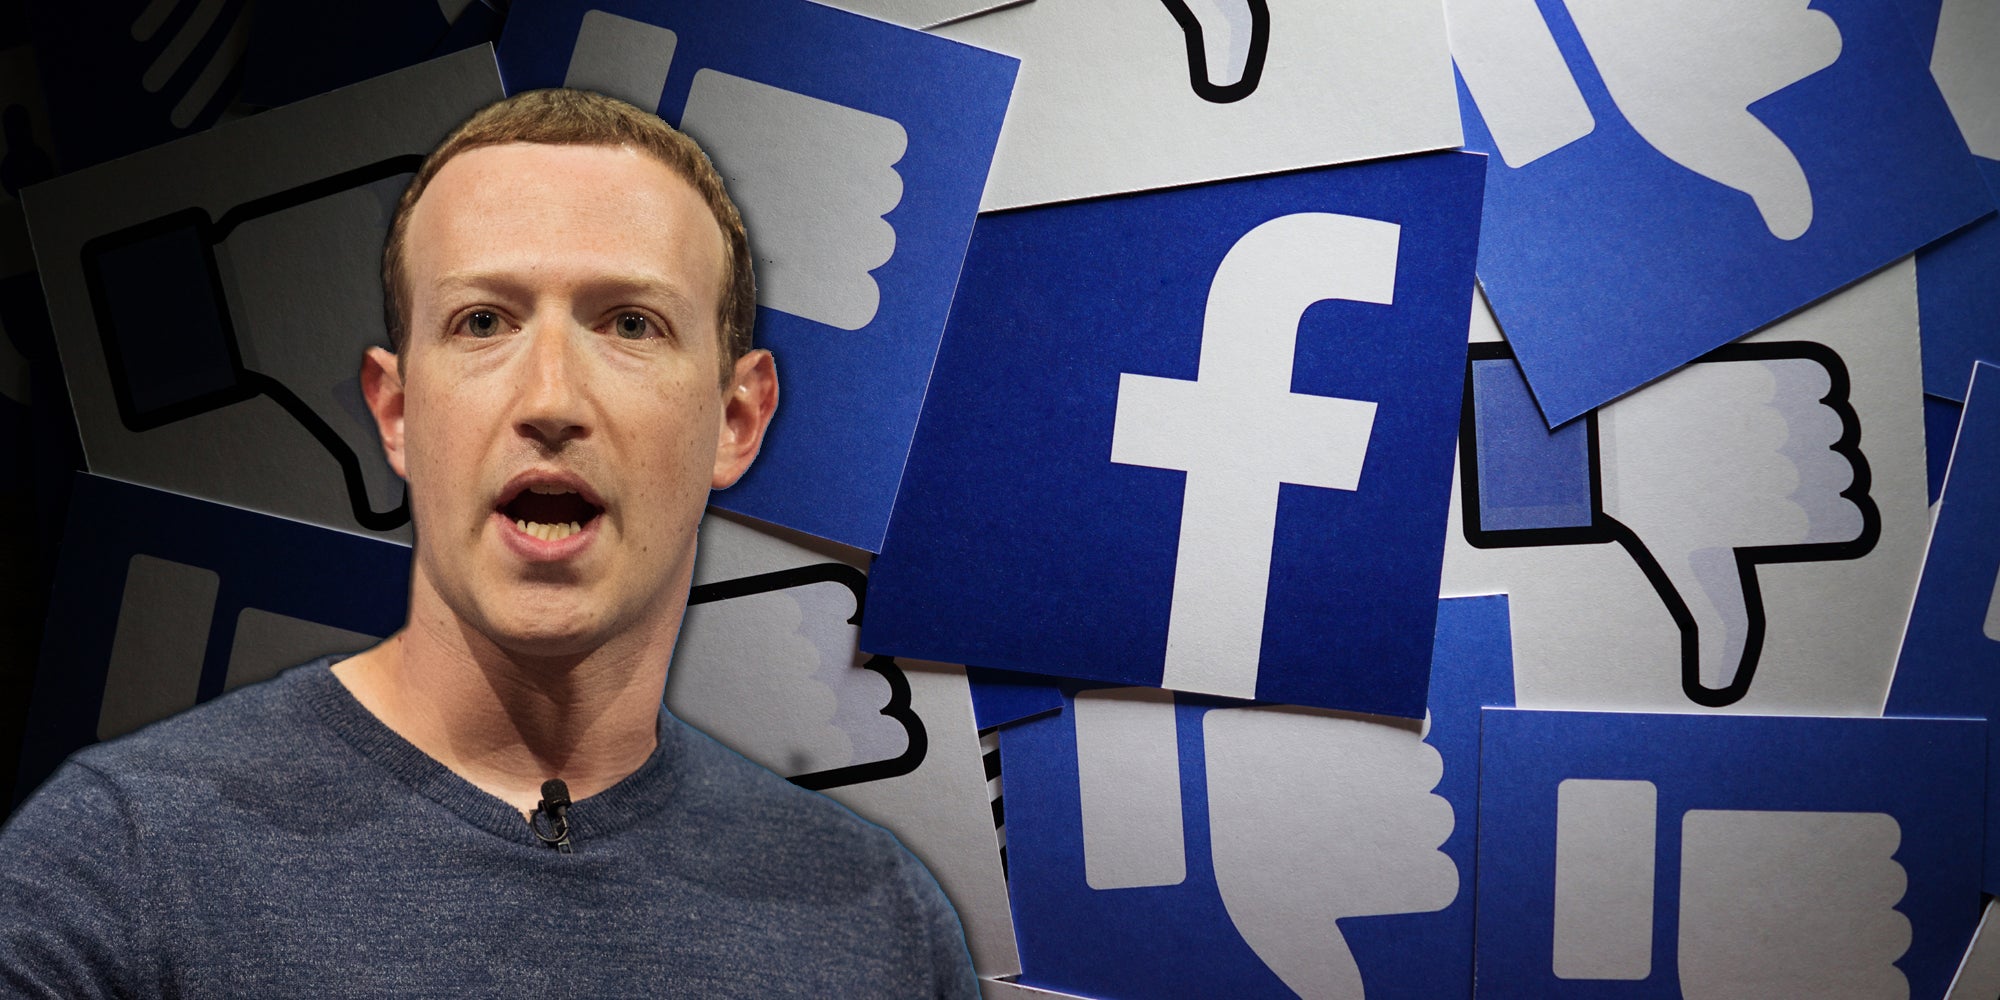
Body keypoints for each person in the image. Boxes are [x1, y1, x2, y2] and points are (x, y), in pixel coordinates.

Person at [0, 88, 979, 997]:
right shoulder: (118, 866)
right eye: (482, 322)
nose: (549, 398)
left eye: (629, 322)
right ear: (395, 413)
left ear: (734, 418)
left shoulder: (879, 926)